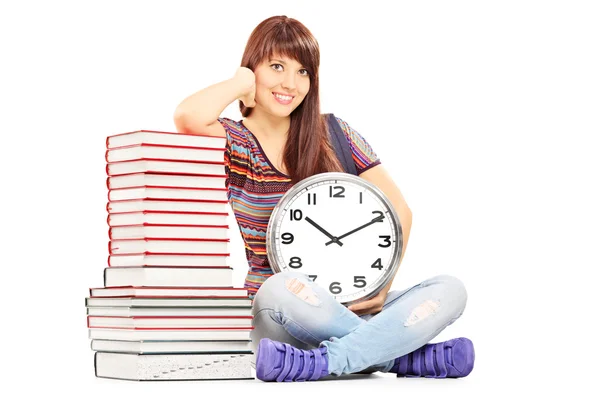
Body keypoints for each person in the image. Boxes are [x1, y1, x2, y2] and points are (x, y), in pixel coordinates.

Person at [173, 15, 474, 382]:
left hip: (350, 305)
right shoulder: (238, 144)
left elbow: (401, 211)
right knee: (280, 287)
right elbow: (189, 117)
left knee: (449, 290)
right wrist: (240, 83)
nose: (290, 83)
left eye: (303, 72)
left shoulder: (334, 132)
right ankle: (399, 356)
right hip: (282, 311)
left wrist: (381, 289)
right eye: (277, 66)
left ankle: (322, 363)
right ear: (253, 68)